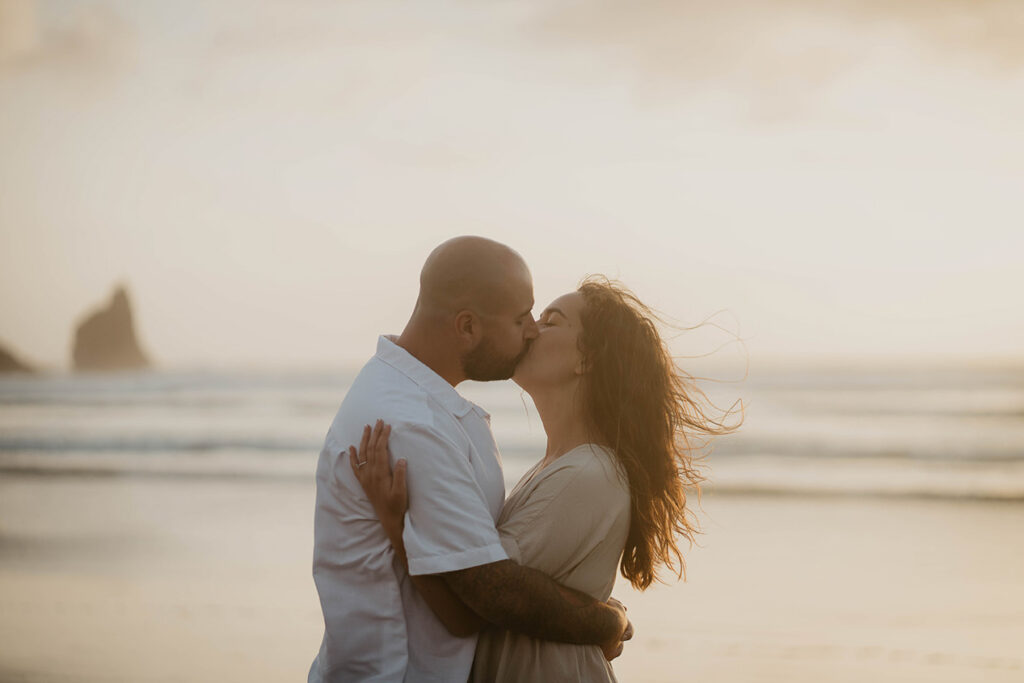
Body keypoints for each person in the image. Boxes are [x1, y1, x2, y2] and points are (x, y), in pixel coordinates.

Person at [351, 276, 741, 682]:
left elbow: (479, 598)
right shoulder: (561, 466)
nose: (532, 329)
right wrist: (606, 619)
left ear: (587, 359)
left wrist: (396, 525)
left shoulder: (588, 474)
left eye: (551, 321)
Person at [308, 237, 631, 683]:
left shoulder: (430, 409)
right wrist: (605, 621)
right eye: (522, 319)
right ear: (467, 327)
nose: (532, 330)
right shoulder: (414, 424)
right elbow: (486, 598)